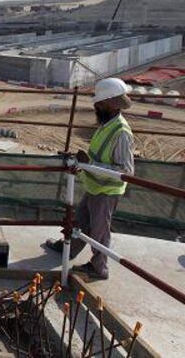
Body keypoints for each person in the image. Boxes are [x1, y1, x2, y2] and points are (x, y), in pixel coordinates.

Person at [45, 77, 135, 280]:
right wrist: (82, 164)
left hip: (106, 192)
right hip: (95, 186)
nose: (96, 105)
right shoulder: (107, 124)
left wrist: (90, 165)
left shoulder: (121, 132)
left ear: (110, 103)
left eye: (99, 102)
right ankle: (68, 247)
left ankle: (99, 268)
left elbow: (126, 171)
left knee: (99, 232)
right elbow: (99, 157)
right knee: (81, 221)